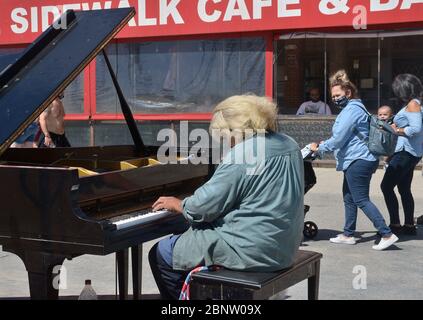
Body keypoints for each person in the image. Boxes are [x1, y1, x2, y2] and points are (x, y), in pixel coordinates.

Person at [148, 95, 305, 300]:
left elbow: (201, 208)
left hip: (249, 249)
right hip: (284, 246)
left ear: (234, 128)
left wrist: (178, 203)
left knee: (162, 253)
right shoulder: (289, 143)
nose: (225, 142)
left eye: (224, 135)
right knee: (189, 237)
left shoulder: (244, 153)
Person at [309, 70, 398, 250]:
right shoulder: (355, 107)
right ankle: (348, 234)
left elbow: (340, 138)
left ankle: (386, 233)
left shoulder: (352, 110)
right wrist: (324, 144)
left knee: (361, 199)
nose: (335, 98)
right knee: (349, 197)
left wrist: (320, 149)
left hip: (359, 159)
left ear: (348, 93)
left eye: (338, 95)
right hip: (355, 159)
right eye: (333, 96)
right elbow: (345, 137)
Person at [381, 74, 423, 236]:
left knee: (386, 186)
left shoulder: (412, 105)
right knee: (404, 189)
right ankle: (409, 225)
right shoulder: (416, 103)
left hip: (405, 153)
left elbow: (415, 129)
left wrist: (394, 129)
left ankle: (395, 224)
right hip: (411, 153)